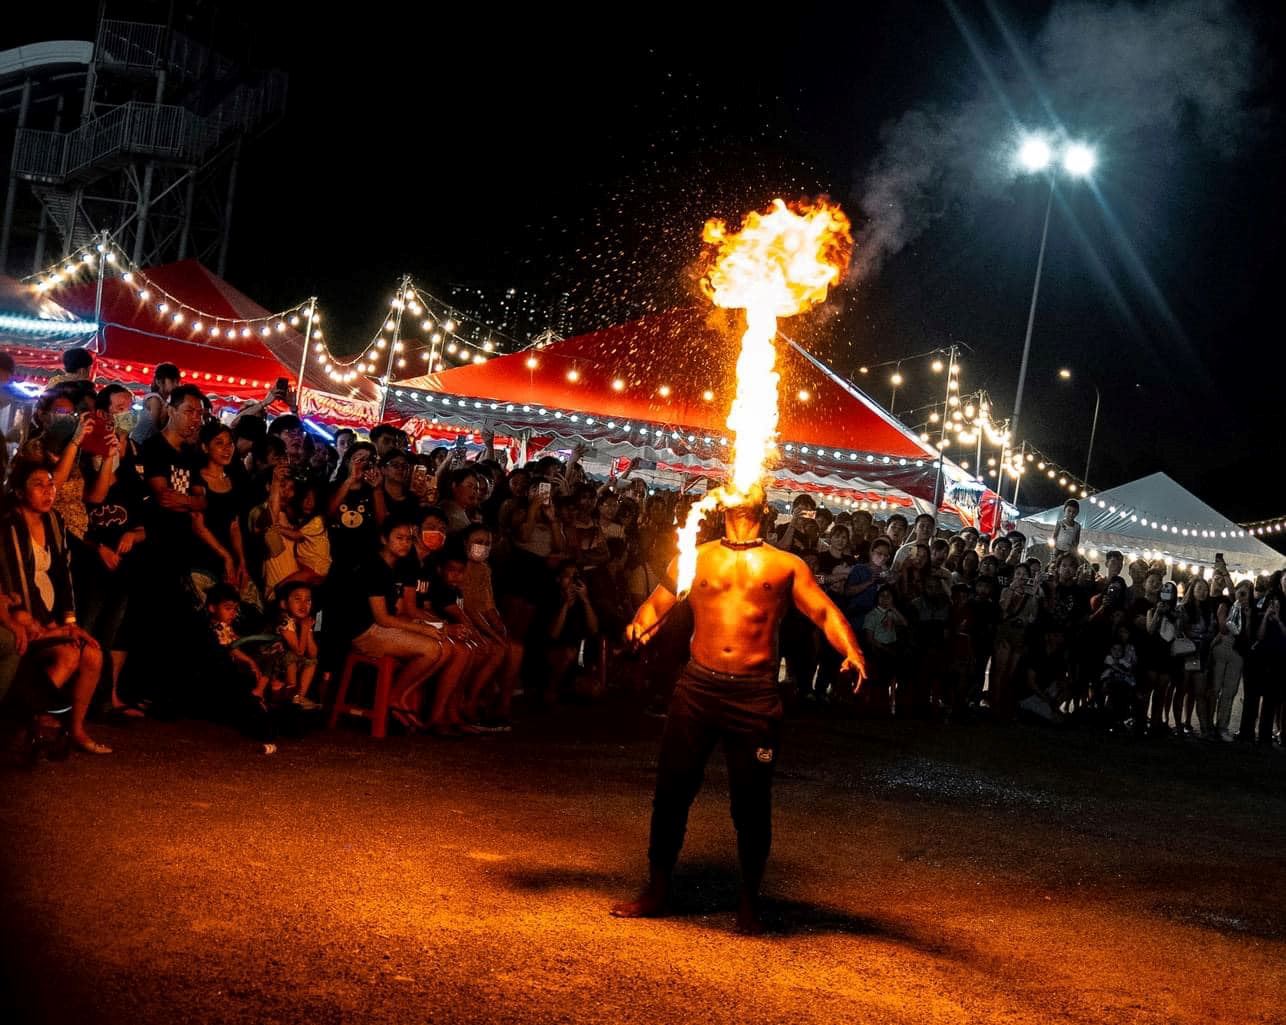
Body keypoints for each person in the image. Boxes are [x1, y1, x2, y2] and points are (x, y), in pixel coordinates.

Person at [614, 483, 867, 935]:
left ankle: (749, 902)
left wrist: (853, 651)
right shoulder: (697, 556)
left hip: (754, 696)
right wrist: (638, 630)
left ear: (765, 507)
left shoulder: (785, 565)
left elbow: (825, 614)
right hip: (697, 688)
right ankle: (657, 889)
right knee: (672, 791)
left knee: (751, 803)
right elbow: (658, 604)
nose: (739, 487)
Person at [0, 459, 110, 754]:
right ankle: (26, 724)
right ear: (21, 492)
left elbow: (63, 574)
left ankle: (75, 729)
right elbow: (15, 580)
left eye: (51, 484)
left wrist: (70, 621)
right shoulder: (9, 523)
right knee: (69, 654)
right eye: (39, 485)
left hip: (51, 615)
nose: (49, 491)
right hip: (25, 615)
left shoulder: (54, 521)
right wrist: (50, 627)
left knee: (93, 655)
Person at [130, 363, 181, 445]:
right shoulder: (155, 399)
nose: (176, 385)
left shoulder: (165, 401)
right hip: (139, 444)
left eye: (177, 381)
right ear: (159, 382)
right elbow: (155, 427)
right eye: (172, 381)